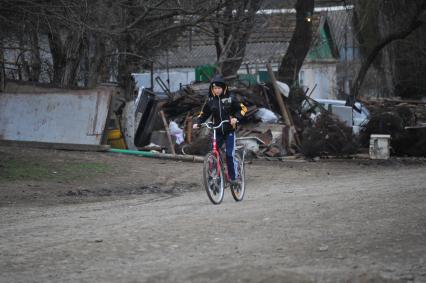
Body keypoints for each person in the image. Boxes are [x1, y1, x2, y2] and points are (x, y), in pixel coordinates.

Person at [193, 75, 247, 185]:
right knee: (213, 152)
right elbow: (204, 114)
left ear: (223, 88)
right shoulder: (210, 100)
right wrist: (198, 123)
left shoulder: (231, 98)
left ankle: (233, 177)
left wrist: (236, 118)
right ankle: (214, 175)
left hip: (229, 130)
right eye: (215, 88)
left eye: (219, 88)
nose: (217, 90)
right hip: (217, 130)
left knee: (229, 154)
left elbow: (243, 109)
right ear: (212, 89)